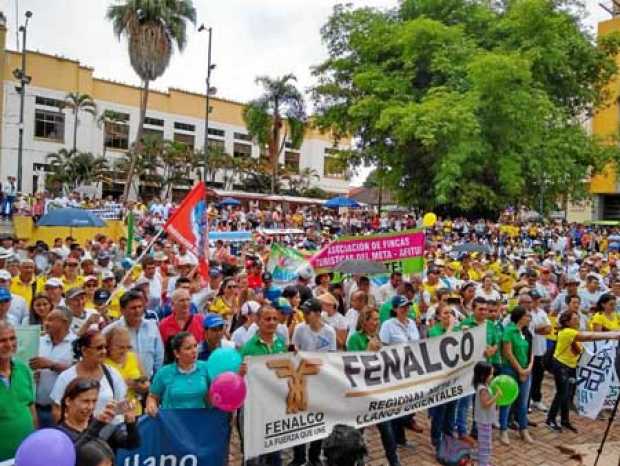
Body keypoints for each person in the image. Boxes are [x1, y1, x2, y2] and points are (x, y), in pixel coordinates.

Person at [545, 310, 620, 432]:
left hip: (571, 367)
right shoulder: (567, 332)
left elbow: (588, 336)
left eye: (577, 318)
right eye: (574, 319)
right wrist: (611, 335)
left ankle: (565, 420)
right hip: (561, 367)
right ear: (567, 322)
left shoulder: (574, 331)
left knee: (568, 394)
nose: (578, 320)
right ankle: (550, 419)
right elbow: (590, 337)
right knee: (561, 394)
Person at [346, 307, 401, 466]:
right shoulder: (355, 339)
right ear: (365, 321)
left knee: (387, 430)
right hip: (362, 393)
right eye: (374, 319)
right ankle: (358, 461)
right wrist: (369, 350)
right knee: (358, 431)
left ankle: (394, 461)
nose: (377, 322)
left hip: (377, 391)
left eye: (378, 319)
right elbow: (352, 365)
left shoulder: (377, 337)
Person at [239, 305, 287, 466]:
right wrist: (241, 372)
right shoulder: (249, 348)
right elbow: (240, 378)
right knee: (253, 456)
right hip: (254, 408)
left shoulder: (280, 344)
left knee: (275, 453)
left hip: (275, 405)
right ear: (258, 321)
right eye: (267, 319)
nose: (272, 322)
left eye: (275, 319)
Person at [50, 330, 127, 422]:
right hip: (78, 434)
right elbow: (57, 410)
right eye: (99, 348)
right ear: (84, 350)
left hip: (109, 433)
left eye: (105, 347)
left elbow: (121, 406)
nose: (104, 351)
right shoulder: (66, 377)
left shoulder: (113, 374)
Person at [57, 378, 139, 452]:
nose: (90, 407)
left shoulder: (103, 426)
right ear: (68, 401)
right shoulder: (59, 435)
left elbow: (132, 444)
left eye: (94, 401)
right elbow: (77, 453)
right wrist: (98, 425)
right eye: (85, 401)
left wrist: (130, 422)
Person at [29, 306, 76, 427]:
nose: (46, 323)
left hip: (62, 412)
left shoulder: (76, 344)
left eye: (50, 319)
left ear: (64, 322)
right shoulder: (39, 340)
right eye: (46, 319)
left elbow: (78, 372)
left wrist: (52, 365)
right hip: (37, 408)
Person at [103, 290, 164, 379]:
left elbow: (159, 356)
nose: (137, 311)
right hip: (122, 385)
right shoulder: (111, 330)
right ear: (122, 310)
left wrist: (156, 380)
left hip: (148, 383)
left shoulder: (152, 326)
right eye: (133, 308)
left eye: (140, 307)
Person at [146, 331, 210, 415]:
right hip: (173, 424)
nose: (194, 351)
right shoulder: (164, 372)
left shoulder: (206, 368)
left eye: (195, 346)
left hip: (199, 422)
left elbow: (211, 398)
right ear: (177, 353)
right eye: (188, 348)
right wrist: (151, 405)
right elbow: (152, 397)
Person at [0, 321, 36, 460]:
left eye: (12, 338)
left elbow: (30, 406)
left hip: (25, 456)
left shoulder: (22, 368)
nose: (9, 344)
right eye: (2, 340)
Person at [498, 306, 533, 445]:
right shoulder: (509, 331)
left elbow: (531, 352)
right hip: (510, 370)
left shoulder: (526, 332)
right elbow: (508, 353)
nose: (529, 318)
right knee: (507, 401)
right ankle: (503, 429)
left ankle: (523, 429)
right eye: (527, 315)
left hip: (526, 370)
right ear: (520, 317)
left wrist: (529, 368)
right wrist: (520, 370)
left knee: (523, 403)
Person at [104, 327, 148, 416]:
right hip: (112, 414)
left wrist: (141, 386)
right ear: (108, 346)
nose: (125, 351)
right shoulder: (102, 362)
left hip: (135, 411)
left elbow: (146, 382)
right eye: (120, 347)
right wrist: (124, 384)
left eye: (128, 347)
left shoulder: (133, 357)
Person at [159, 289, 204, 358]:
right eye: (181, 300)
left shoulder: (200, 320)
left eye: (188, 300)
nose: (185, 303)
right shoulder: (164, 324)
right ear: (173, 304)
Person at [473, 362, 501, 466]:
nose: (492, 376)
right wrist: (496, 396)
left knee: (486, 442)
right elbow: (485, 404)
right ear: (483, 375)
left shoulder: (486, 385)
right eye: (490, 374)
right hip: (484, 421)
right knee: (485, 444)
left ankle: (481, 460)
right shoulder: (483, 389)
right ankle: (483, 463)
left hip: (486, 420)